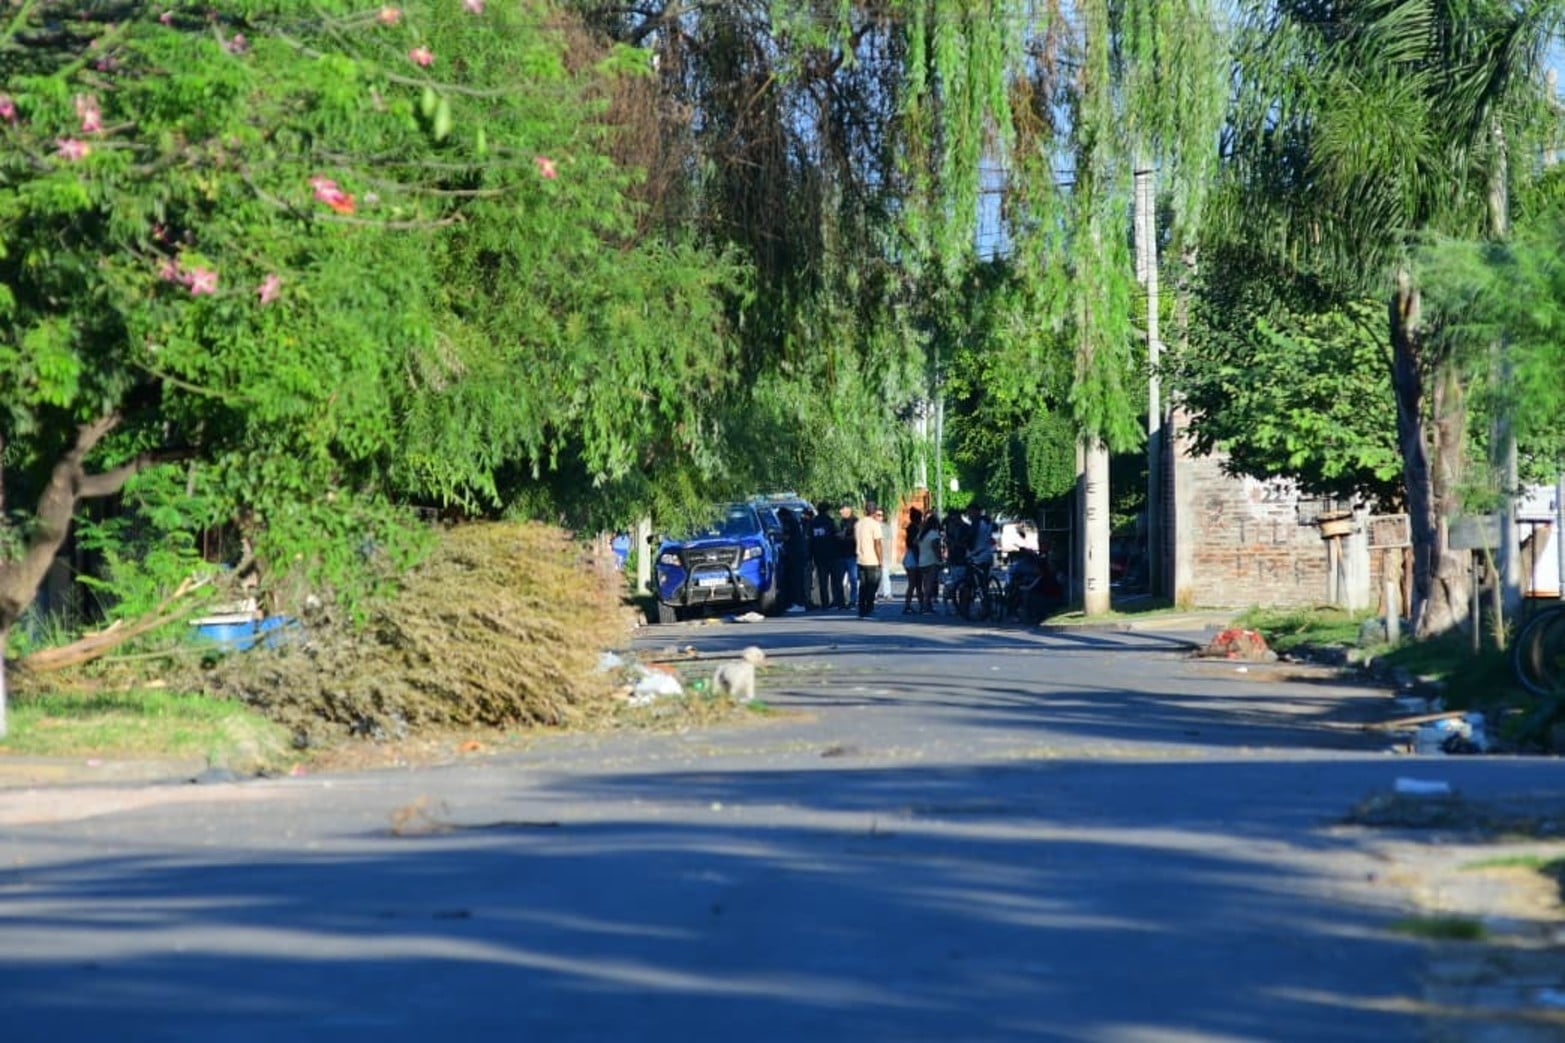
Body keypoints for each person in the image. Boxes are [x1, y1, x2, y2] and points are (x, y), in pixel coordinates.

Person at [854, 502, 886, 618]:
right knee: (872, 585)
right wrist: (880, 559)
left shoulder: (858, 524)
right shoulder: (875, 524)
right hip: (872, 559)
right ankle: (869, 608)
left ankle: (861, 609)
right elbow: (877, 543)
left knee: (863, 585)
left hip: (860, 558)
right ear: (874, 511)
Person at [808, 501, 840, 609]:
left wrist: (810, 555)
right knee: (835, 580)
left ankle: (824, 602)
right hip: (832, 554)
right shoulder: (830, 522)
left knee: (823, 581)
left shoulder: (813, 523)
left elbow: (810, 540)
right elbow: (836, 536)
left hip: (818, 555)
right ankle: (836, 601)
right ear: (827, 510)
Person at [916, 512, 943, 613]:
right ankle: (926, 605)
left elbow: (915, 542)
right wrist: (940, 559)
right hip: (932, 561)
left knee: (925, 584)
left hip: (922, 561)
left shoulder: (922, 534)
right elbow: (936, 548)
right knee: (929, 585)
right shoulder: (934, 534)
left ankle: (927, 605)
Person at [836, 503, 859, 610]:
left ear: (848, 509)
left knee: (853, 579)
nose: (840, 512)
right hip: (841, 554)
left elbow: (856, 537)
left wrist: (844, 537)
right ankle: (841, 602)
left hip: (852, 555)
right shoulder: (841, 522)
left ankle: (853, 601)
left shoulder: (855, 522)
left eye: (842, 509)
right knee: (839, 579)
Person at [901, 507, 924, 614]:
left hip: (910, 557)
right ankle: (911, 605)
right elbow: (915, 545)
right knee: (914, 583)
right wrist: (919, 560)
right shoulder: (915, 529)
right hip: (913, 558)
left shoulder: (911, 527)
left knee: (915, 583)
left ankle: (915, 604)